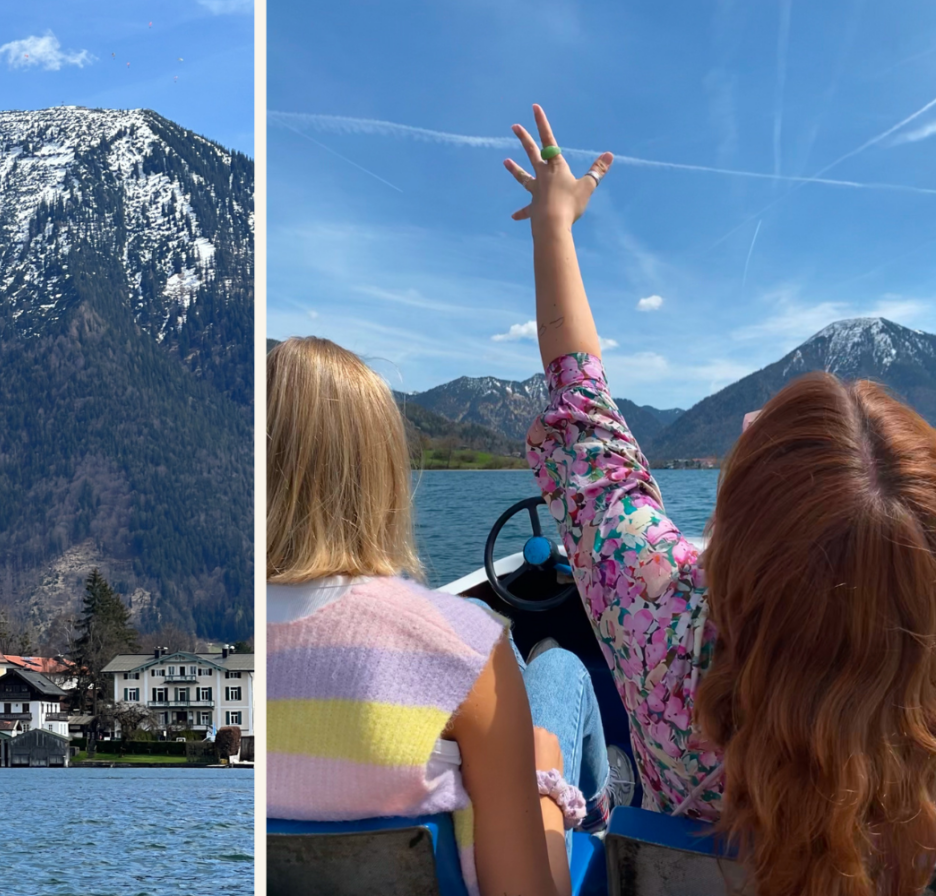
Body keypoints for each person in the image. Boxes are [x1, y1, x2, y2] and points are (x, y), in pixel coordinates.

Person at [505, 103, 936, 896]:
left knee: (557, 666)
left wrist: (553, 225)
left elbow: (586, 424)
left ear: (735, 529)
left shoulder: (659, 626)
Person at [267, 336, 608, 896]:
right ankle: (594, 818)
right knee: (563, 668)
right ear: (381, 477)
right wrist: (544, 787)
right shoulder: (461, 648)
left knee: (473, 608)